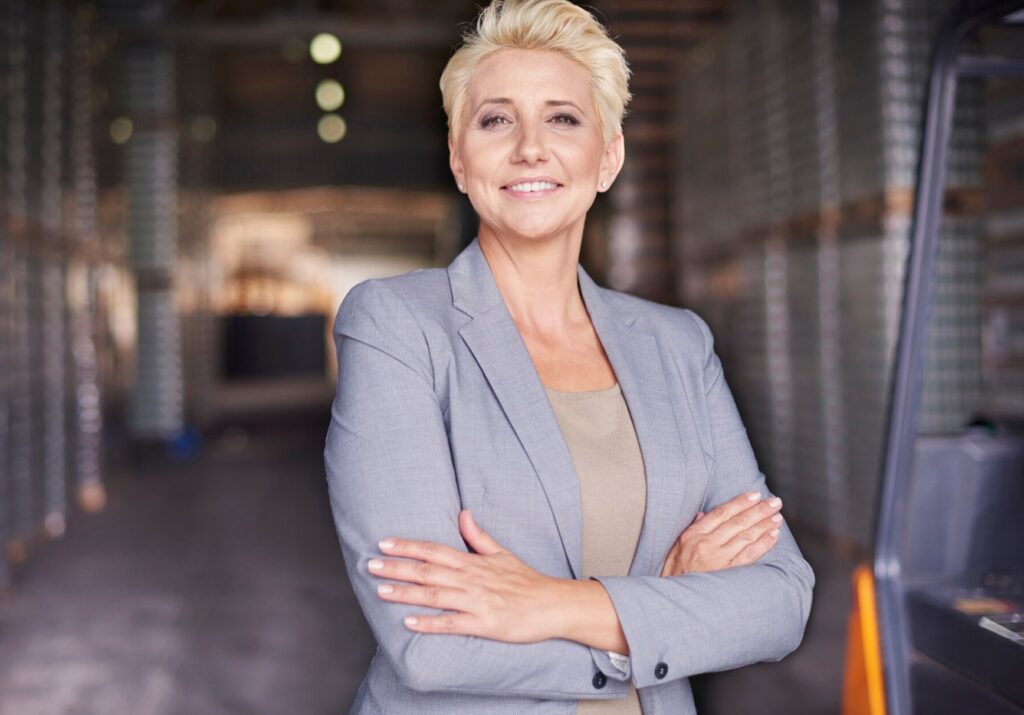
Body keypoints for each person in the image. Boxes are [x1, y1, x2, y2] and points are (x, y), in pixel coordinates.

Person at [323, 1, 815, 712]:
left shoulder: (678, 344)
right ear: (459, 156)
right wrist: (668, 609)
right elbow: (428, 641)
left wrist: (554, 604)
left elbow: (780, 600)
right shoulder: (396, 326)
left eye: (563, 118)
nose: (530, 148)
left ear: (608, 156)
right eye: (496, 119)